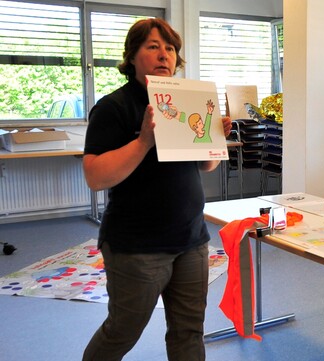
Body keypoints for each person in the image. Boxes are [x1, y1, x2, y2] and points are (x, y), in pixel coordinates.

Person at [81, 18, 232, 360]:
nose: (164, 55)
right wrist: (144, 142)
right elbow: (95, 176)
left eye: (170, 48)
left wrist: (215, 141)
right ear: (132, 56)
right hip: (137, 247)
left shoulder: (185, 102)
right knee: (123, 331)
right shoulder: (114, 107)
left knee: (189, 331)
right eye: (152, 46)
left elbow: (205, 166)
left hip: (192, 240)